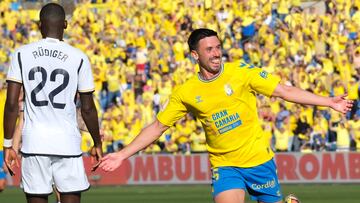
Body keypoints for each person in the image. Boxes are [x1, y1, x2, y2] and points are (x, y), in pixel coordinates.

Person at [99, 28, 353, 203]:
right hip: (225, 166)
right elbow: (157, 126)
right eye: (209, 49)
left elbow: (284, 91)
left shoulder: (241, 72)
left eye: (218, 47)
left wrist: (328, 102)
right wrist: (122, 154)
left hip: (258, 162)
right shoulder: (186, 92)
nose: (216, 53)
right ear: (195, 55)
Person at [3, 3, 102, 203]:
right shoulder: (79, 57)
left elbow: (12, 103)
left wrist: (7, 145)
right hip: (67, 143)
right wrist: (97, 142)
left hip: (34, 143)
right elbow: (88, 108)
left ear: (40, 25)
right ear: (65, 24)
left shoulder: (21, 54)